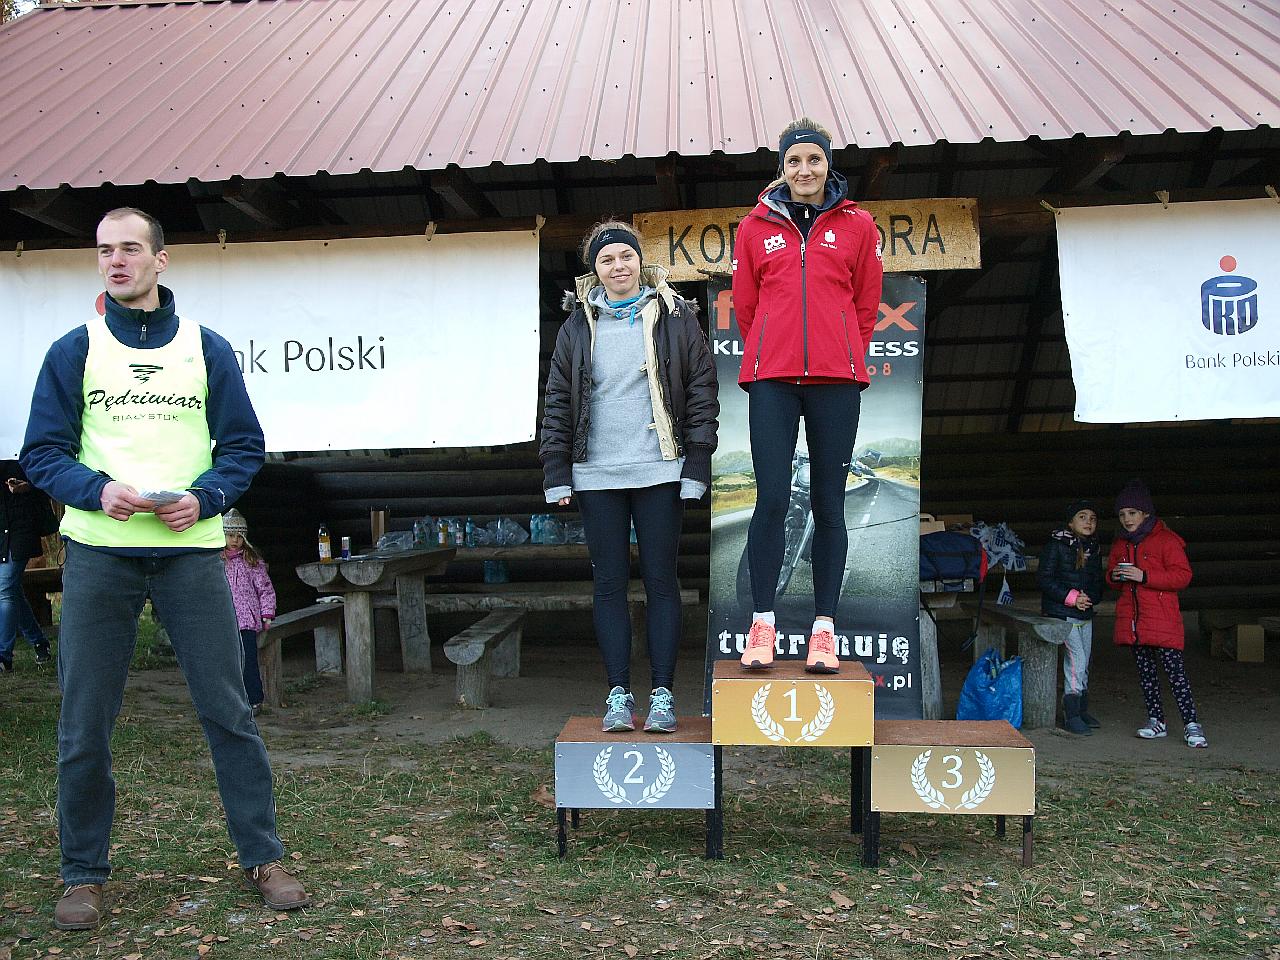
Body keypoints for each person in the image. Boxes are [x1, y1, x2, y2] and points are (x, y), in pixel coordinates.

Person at [20, 207, 308, 930]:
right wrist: (95, 490)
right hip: (99, 554)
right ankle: (82, 874)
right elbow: (42, 452)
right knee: (85, 722)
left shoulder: (205, 349)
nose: (115, 261)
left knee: (229, 710)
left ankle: (264, 857)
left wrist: (205, 498)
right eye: (104, 251)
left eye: (129, 248)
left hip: (190, 554)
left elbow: (242, 447)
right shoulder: (74, 349)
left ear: (160, 260)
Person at [541, 220, 718, 733]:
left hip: (659, 469)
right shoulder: (577, 325)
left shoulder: (676, 317)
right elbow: (558, 398)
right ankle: (618, 694)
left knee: (661, 581)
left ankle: (662, 694)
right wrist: (556, 469)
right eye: (606, 259)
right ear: (594, 269)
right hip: (596, 473)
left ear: (640, 260)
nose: (618, 266)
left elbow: (702, 390)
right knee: (609, 584)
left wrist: (696, 462)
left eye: (626, 256)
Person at [731, 117, 884, 673]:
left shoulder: (858, 225)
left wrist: (841, 351)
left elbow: (866, 304)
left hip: (835, 382)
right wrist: (772, 349)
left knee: (828, 503)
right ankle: (762, 624)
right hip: (772, 381)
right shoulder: (754, 227)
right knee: (772, 499)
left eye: (813, 159)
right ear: (782, 168)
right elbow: (746, 306)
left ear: (827, 164)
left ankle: (824, 628)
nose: (804, 170)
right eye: (794, 161)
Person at [1107, 481, 1206, 748]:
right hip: (1135, 623)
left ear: (1146, 513)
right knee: (1146, 675)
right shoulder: (1120, 543)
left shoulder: (1167, 540)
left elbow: (1182, 576)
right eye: (1122, 514)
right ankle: (1156, 720)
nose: (1127, 519)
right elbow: (1112, 579)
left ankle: (1191, 725)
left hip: (1162, 621)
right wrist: (1115, 576)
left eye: (1132, 513)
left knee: (1176, 675)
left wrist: (1145, 576)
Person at [1037, 499, 1105, 735]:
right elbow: (1044, 579)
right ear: (1070, 522)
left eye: (1092, 518)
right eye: (1082, 517)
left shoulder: (1093, 547)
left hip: (1084, 613)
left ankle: (1082, 709)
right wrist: (1072, 598)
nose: (1088, 522)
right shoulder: (1056, 545)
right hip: (1062, 614)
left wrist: (1089, 597)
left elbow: (1097, 581)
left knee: (1085, 660)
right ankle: (1071, 714)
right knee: (1076, 661)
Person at [1, 461, 55, 672]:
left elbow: (48, 476)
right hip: (3, 526)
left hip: (22, 526)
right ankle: (39, 642)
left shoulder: (20, 447)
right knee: (11, 590)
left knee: (5, 588)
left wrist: (29, 486)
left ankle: (3, 655)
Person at [221, 508, 276, 714]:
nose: (234, 540)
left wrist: (267, 614)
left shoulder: (252, 561)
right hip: (224, 621)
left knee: (248, 662)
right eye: (230, 535)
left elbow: (265, 589)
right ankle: (230, 701)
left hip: (246, 622)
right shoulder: (216, 561)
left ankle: (254, 700)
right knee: (227, 663)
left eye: (239, 536)